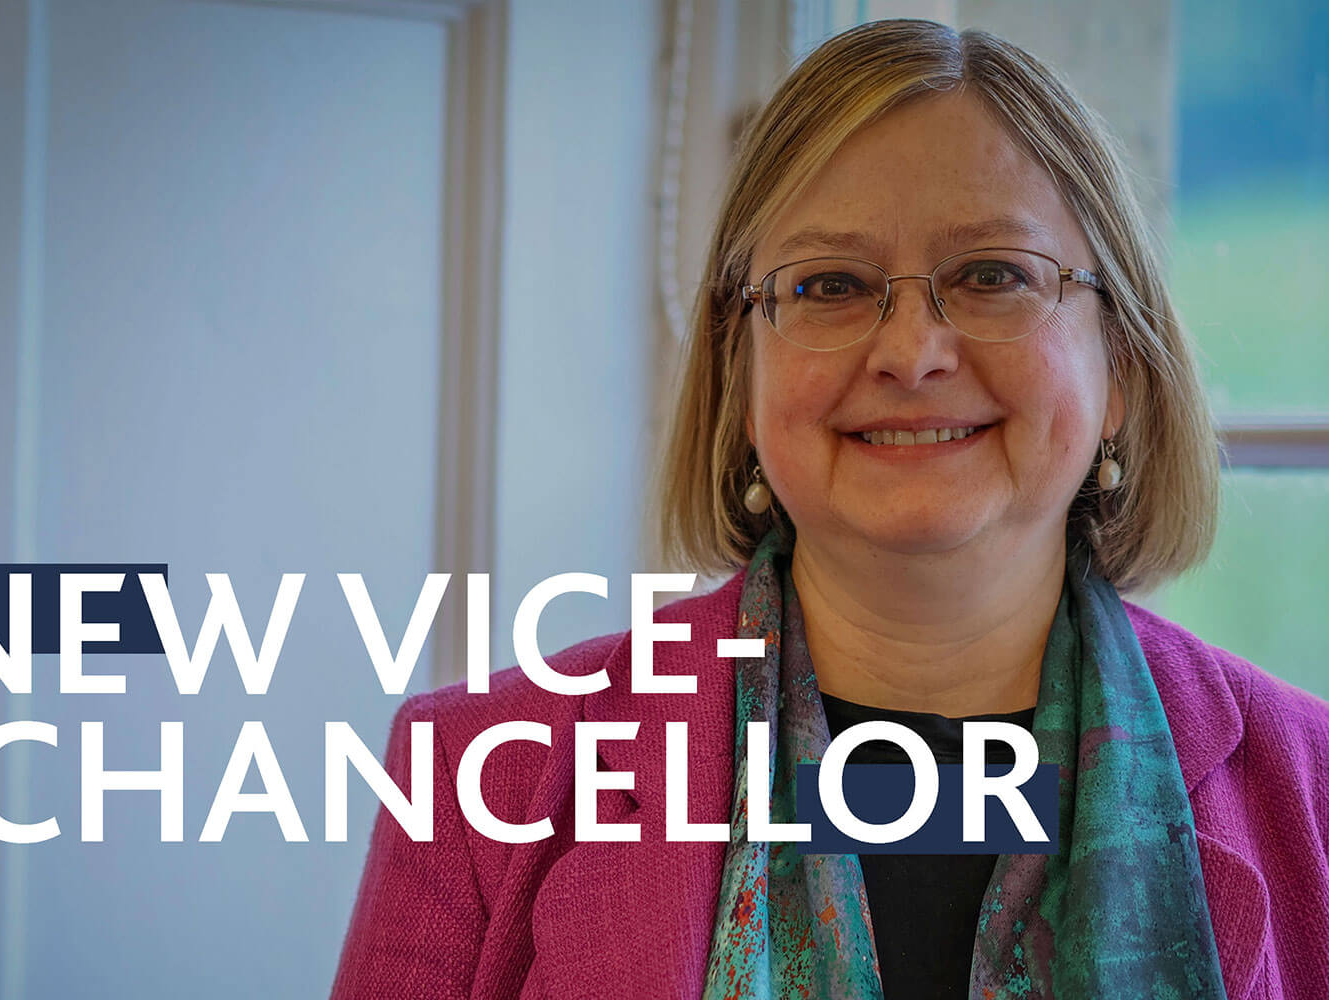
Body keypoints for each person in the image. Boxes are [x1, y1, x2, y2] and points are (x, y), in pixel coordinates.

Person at [332, 19, 1329, 1000]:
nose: (910, 351)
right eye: (830, 285)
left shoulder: (1315, 788)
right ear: (742, 370)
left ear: (1119, 365)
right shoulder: (474, 777)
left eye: (991, 275)